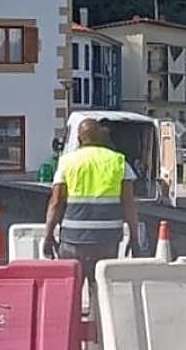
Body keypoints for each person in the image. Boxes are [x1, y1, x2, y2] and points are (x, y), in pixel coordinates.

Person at [44, 120, 138, 282]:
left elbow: (56, 201)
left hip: (73, 238)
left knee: (71, 288)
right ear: (101, 137)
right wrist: (134, 237)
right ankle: (97, 308)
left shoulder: (67, 162)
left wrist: (48, 235)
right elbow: (129, 203)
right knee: (101, 288)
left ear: (79, 139)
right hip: (107, 239)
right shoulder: (118, 161)